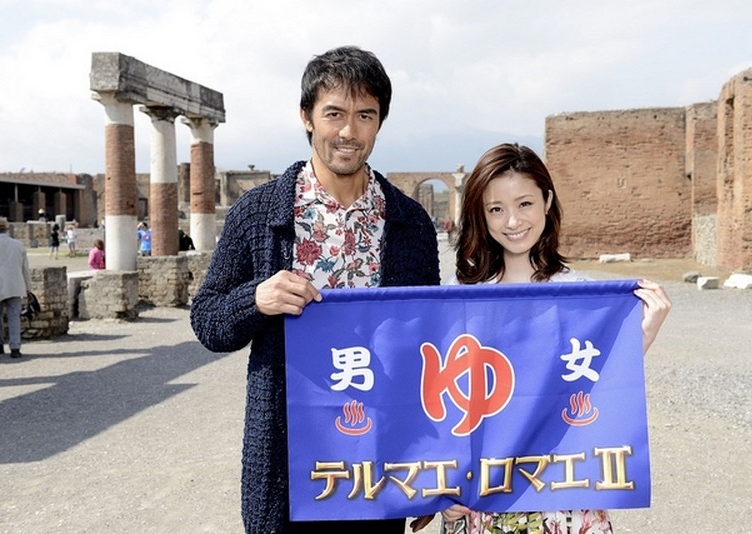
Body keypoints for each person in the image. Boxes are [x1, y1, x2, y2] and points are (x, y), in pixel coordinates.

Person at [189, 45, 440, 534]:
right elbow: (207, 319)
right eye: (334, 113)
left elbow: (426, 349)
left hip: (378, 460)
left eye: (365, 115)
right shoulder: (259, 214)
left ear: (380, 123)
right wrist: (256, 300)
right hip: (286, 462)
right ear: (307, 117)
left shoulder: (411, 225)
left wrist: (428, 464)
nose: (349, 131)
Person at [440, 143, 672, 534]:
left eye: (525, 204)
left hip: (562, 490)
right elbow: (443, 402)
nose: (513, 221)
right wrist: (443, 486)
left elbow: (597, 389)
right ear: (480, 213)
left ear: (547, 201)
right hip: (481, 493)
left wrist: (645, 333)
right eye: (496, 209)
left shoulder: (582, 294)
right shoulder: (459, 296)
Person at [0, 217, 31, 358]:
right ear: (7, 229)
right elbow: (25, 268)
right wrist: (28, 287)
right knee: (14, 317)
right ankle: (15, 347)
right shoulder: (18, 244)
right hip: (15, 284)